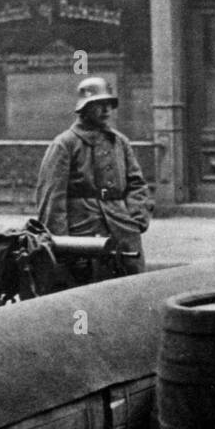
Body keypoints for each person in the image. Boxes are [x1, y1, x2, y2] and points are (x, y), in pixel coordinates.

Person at [34, 77, 150, 280]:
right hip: (83, 230)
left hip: (122, 229)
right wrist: (62, 244)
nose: (106, 110)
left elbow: (137, 184)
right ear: (84, 108)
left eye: (109, 105)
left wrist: (136, 218)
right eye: (98, 105)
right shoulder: (65, 144)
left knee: (129, 286)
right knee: (85, 288)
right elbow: (52, 198)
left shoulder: (120, 142)